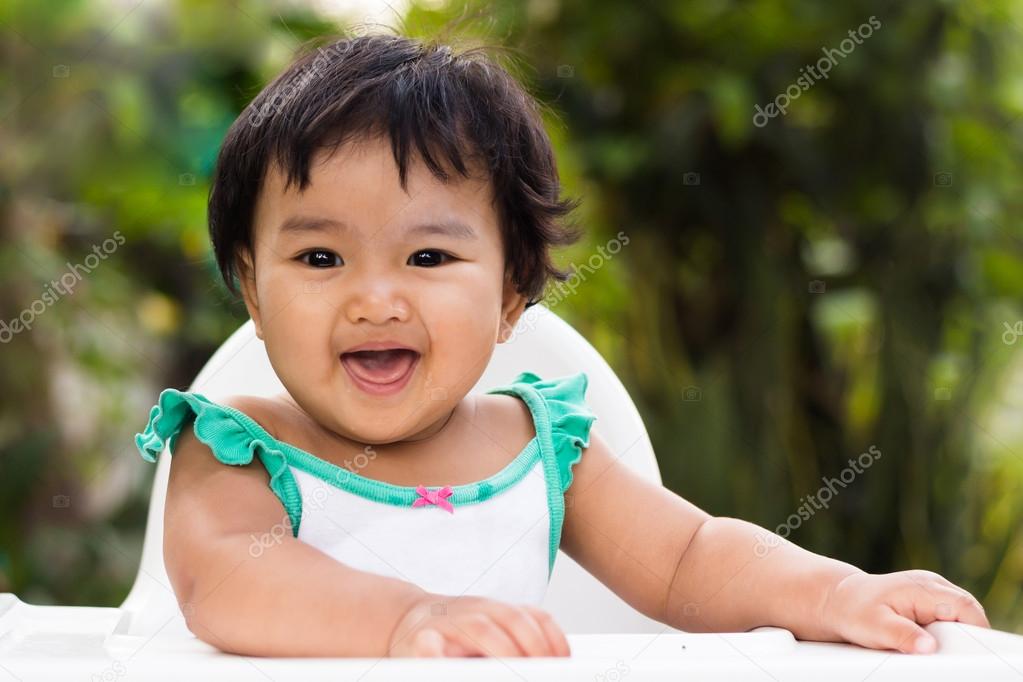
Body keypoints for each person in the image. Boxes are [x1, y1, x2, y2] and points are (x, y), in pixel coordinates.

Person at [134, 32, 988, 659]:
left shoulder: (542, 451)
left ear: (511, 294)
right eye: (320, 257)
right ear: (251, 287)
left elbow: (690, 559)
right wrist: (407, 621)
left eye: (428, 256)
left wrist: (833, 591)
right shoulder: (236, 446)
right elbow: (226, 581)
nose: (375, 299)